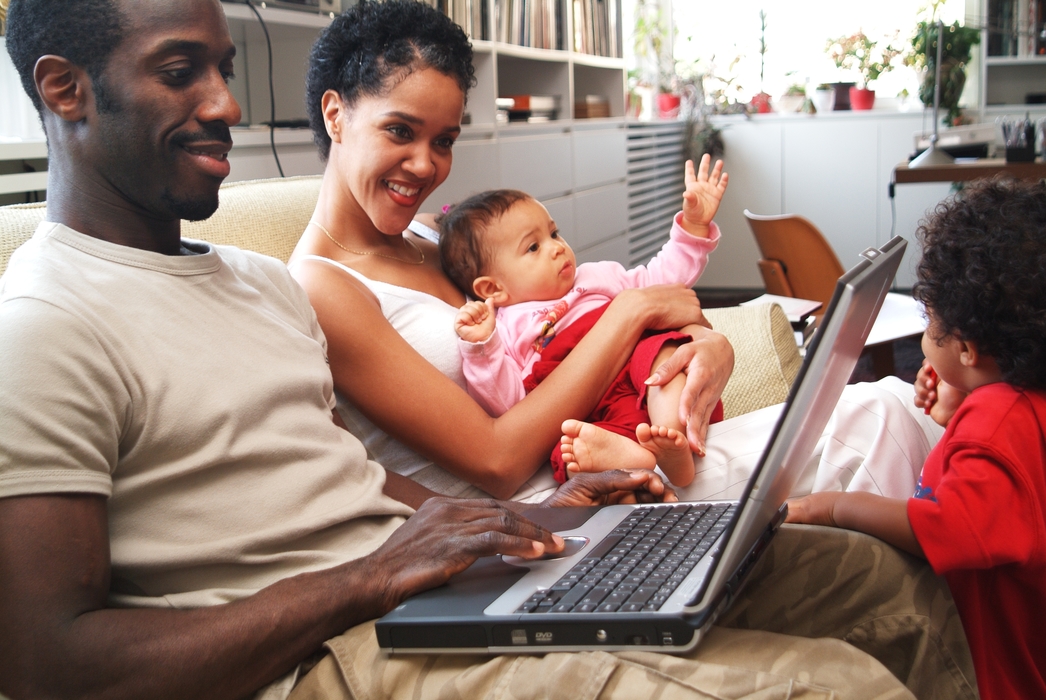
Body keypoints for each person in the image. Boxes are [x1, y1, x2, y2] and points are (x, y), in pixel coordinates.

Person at [0, 1, 978, 698]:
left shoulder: (254, 284)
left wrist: (530, 521)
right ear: (64, 89)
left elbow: (352, 474)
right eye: (182, 71)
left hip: (433, 581)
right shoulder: (45, 324)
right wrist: (375, 574)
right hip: (329, 644)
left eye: (222, 66)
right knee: (833, 684)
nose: (224, 101)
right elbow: (49, 664)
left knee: (884, 585)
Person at [287, 0, 730, 501]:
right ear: (335, 115)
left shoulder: (437, 235)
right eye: (400, 131)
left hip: (621, 459)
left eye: (444, 141)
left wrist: (707, 344)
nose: (423, 165)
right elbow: (498, 462)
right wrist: (632, 313)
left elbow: (583, 306)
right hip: (543, 511)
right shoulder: (322, 284)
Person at [786, 177, 1046, 700]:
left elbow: (957, 526)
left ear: (969, 349)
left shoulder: (995, 423)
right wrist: (961, 405)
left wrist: (837, 508)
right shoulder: (1017, 401)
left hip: (991, 675)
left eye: (930, 323)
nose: (924, 337)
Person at [439, 156, 727, 486]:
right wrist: (481, 347)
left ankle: (673, 435)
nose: (557, 248)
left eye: (554, 233)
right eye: (533, 247)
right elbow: (511, 402)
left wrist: (692, 229)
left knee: (664, 357)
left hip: (637, 369)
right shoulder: (504, 328)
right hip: (583, 405)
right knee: (570, 447)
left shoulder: (597, 276)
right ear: (493, 288)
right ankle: (634, 457)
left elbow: (664, 278)